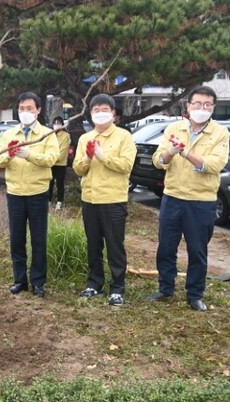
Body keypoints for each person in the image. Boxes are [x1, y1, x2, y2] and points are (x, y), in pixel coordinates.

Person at [149, 86, 230, 312]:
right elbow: (158, 160)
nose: (201, 108)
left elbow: (214, 165)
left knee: (197, 250)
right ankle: (165, 288)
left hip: (201, 202)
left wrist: (185, 153)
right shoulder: (174, 128)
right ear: (188, 106)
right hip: (172, 197)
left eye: (207, 105)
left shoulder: (220, 133)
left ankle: (195, 294)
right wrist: (171, 153)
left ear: (213, 108)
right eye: (197, 104)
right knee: (166, 247)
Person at [72, 94, 136, 306]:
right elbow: (78, 169)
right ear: (90, 114)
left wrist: (102, 155)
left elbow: (126, 166)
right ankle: (94, 283)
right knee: (93, 244)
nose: (100, 114)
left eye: (104, 110)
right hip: (90, 199)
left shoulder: (123, 137)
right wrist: (88, 158)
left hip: (113, 199)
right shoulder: (84, 138)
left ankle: (117, 287)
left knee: (114, 244)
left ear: (113, 114)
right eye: (96, 110)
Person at [0, 92, 59, 298]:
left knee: (38, 239)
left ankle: (38, 282)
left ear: (38, 110)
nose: (25, 112)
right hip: (14, 193)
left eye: (29, 108)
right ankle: (20, 280)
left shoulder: (47, 134)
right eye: (22, 109)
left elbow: (51, 158)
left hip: (38, 193)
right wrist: (9, 154)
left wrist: (28, 154)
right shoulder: (9, 134)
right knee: (16, 239)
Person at [48, 116, 71, 210]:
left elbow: (63, 152)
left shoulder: (66, 135)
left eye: (58, 123)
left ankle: (59, 201)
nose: (56, 125)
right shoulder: (50, 134)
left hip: (60, 163)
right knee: (50, 182)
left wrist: (50, 158)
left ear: (62, 125)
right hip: (50, 163)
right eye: (55, 123)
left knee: (60, 183)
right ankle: (48, 200)